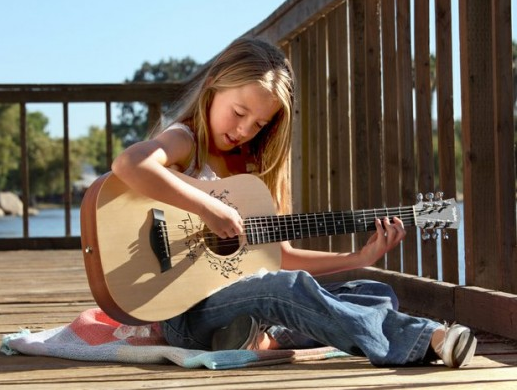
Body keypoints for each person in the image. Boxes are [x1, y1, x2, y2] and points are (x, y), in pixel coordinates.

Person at [111, 37, 477, 368]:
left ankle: (260, 337)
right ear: (213, 86)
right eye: (239, 113)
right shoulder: (187, 140)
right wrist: (208, 208)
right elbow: (129, 164)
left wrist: (358, 259)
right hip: (185, 315)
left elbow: (280, 257)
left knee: (373, 292)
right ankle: (428, 337)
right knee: (283, 289)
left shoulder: (252, 171)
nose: (243, 130)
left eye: (258, 124)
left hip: (247, 301)